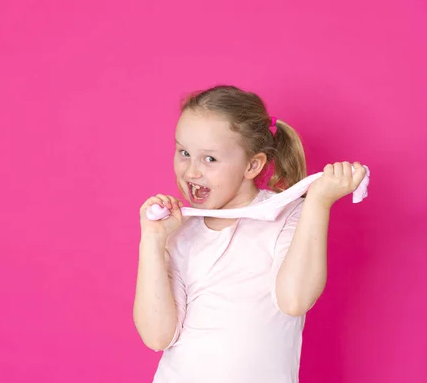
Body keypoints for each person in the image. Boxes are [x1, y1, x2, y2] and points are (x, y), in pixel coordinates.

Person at [133, 85, 366, 383]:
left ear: (252, 165)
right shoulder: (179, 232)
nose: (191, 171)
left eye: (210, 159)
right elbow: (157, 337)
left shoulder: (286, 214)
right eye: (184, 152)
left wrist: (318, 202)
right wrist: (152, 242)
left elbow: (294, 300)